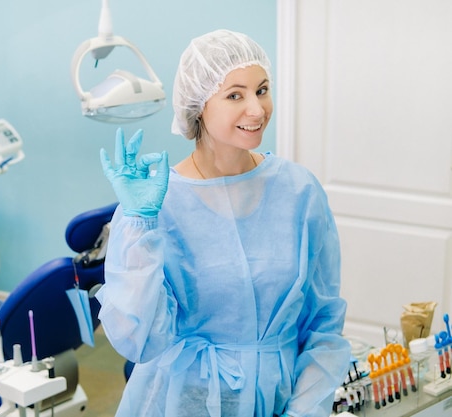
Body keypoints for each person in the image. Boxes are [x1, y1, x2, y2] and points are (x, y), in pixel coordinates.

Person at [97, 29, 351, 417]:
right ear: (198, 106)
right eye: (235, 95)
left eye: (262, 90)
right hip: (180, 402)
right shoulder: (157, 205)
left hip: (279, 399)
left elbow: (323, 325)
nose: (257, 109)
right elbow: (139, 341)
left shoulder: (299, 192)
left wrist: (303, 410)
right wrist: (138, 225)